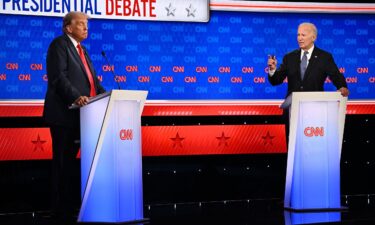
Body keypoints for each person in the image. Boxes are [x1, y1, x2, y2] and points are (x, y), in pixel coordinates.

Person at [43, 11, 105, 222]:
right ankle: (58, 212)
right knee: (62, 164)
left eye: (86, 24)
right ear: (68, 27)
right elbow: (58, 78)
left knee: (73, 165)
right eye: (81, 24)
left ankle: (72, 208)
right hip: (64, 116)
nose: (86, 28)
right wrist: (76, 96)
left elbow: (92, 82)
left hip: (84, 117)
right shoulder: (59, 46)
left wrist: (109, 96)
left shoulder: (83, 50)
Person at [267, 22, 349, 145]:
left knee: (313, 144)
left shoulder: (324, 57)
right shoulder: (289, 57)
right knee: (293, 143)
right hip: (293, 110)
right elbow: (276, 80)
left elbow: (336, 75)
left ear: (313, 37)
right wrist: (273, 69)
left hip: (315, 109)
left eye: (303, 35)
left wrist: (342, 86)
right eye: (298, 35)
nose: (299, 38)